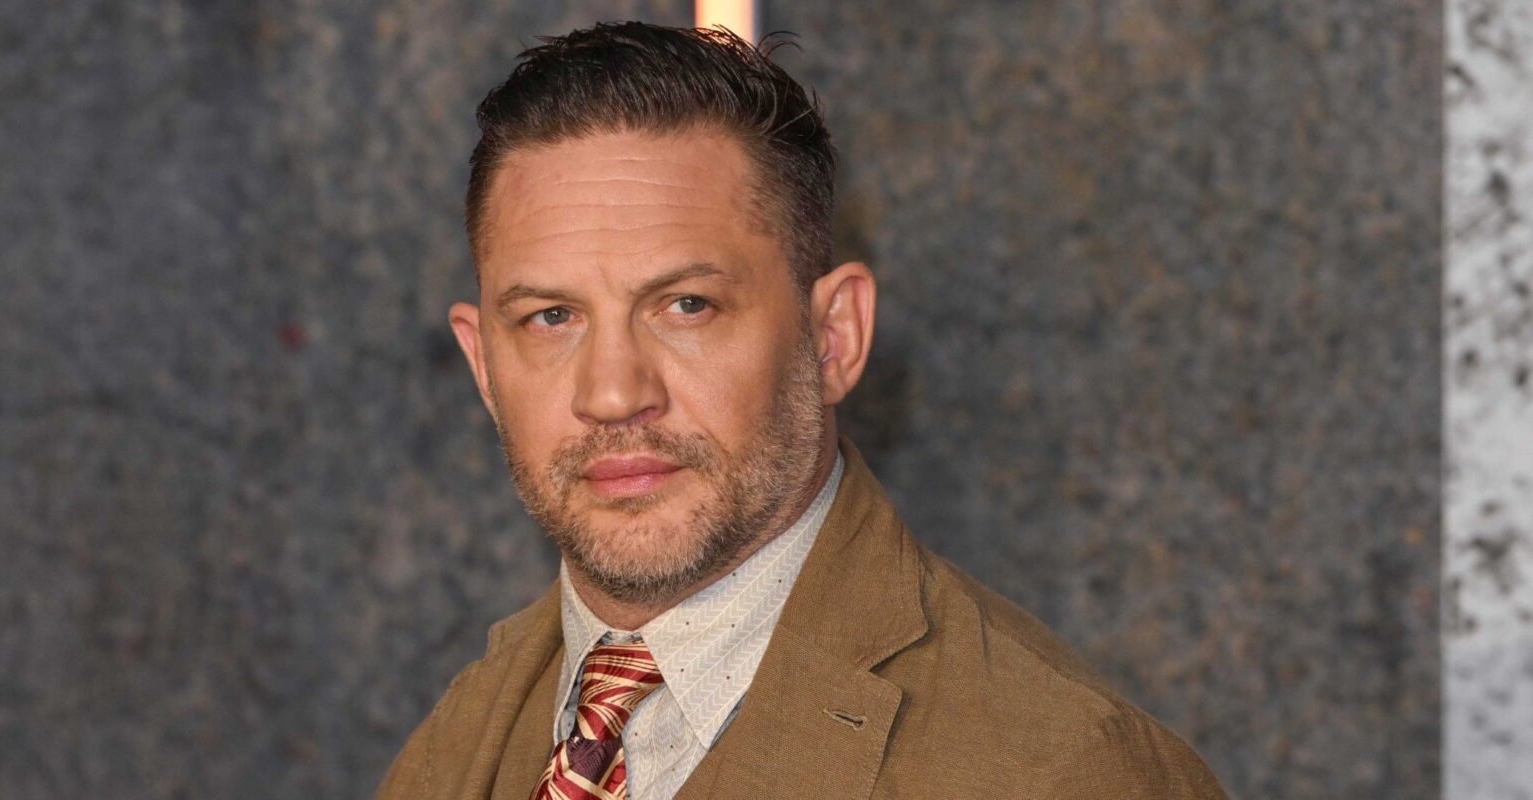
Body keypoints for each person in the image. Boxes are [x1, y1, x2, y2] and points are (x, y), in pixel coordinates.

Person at [377, 21, 1226, 800]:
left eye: (686, 306)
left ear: (833, 338)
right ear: (483, 367)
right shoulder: (449, 749)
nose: (613, 393)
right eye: (551, 317)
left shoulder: (1066, 772)